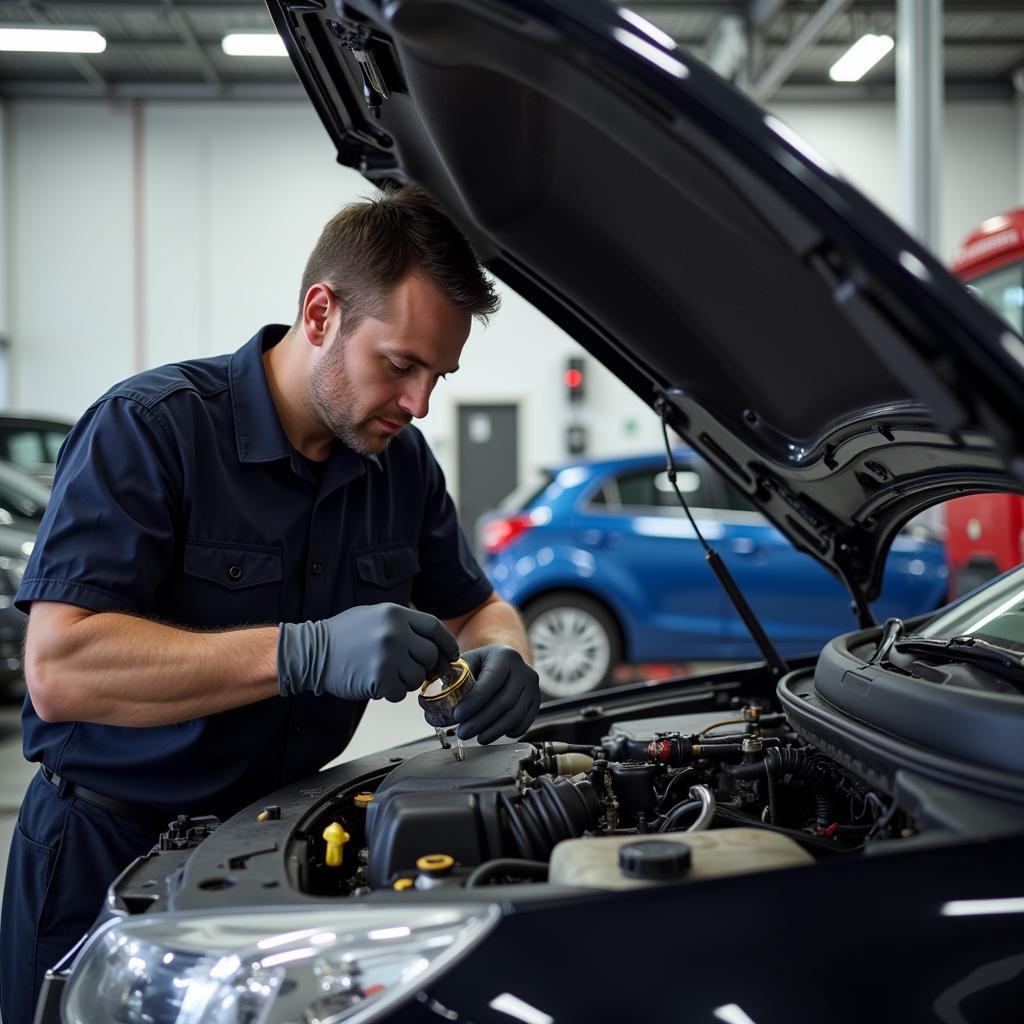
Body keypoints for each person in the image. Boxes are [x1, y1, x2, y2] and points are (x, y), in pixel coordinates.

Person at [0, 184, 541, 1023]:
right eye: (400, 364)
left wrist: (507, 653)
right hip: (108, 858)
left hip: (286, 850)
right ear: (320, 313)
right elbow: (62, 669)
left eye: (438, 374)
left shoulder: (400, 465)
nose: (421, 403)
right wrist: (302, 653)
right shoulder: (151, 430)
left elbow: (477, 608)